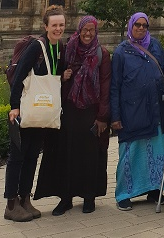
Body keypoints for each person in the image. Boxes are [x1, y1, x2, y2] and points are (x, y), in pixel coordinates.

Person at [34, 15, 111, 215]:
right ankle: (65, 197)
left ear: (95, 32)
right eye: (84, 30)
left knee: (89, 155)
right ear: (78, 30)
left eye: (91, 30)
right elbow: (53, 76)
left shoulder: (102, 53)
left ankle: (88, 196)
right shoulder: (67, 50)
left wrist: (103, 117)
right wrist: (63, 77)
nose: (87, 34)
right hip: (69, 109)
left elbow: (105, 86)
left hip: (91, 111)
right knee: (66, 153)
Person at [4, 5, 71, 222]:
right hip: (26, 110)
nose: (58, 28)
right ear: (46, 26)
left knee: (32, 155)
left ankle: (25, 198)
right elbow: (20, 76)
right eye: (54, 25)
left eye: (61, 25)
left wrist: (63, 76)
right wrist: (14, 106)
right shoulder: (36, 46)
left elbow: (48, 77)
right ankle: (11, 204)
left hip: (42, 112)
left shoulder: (59, 47)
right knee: (18, 156)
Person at [110, 12, 164, 211]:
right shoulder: (122, 51)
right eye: (137, 25)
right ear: (131, 26)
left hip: (156, 111)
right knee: (131, 154)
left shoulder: (155, 46)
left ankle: (155, 189)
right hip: (132, 112)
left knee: (157, 152)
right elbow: (115, 86)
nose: (141, 28)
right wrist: (115, 116)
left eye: (144, 25)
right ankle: (124, 194)